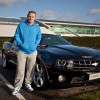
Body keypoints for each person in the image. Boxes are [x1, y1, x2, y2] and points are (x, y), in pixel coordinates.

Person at [12, 10, 42, 95]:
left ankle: (28, 84)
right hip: (22, 51)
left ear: (35, 17)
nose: (30, 18)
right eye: (29, 16)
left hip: (32, 52)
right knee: (20, 70)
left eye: (32, 16)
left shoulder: (37, 27)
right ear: (27, 16)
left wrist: (35, 45)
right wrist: (20, 43)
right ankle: (17, 87)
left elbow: (39, 37)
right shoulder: (21, 25)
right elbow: (16, 35)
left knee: (30, 69)